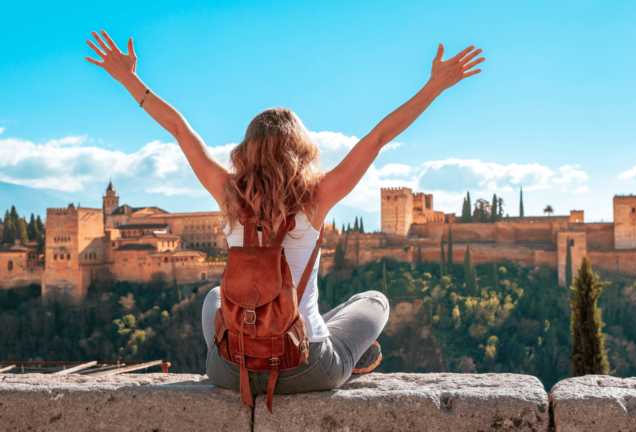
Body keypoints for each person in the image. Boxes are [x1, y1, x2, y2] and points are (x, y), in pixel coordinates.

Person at [86, 30, 484, 398]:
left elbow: (178, 128)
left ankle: (274, 334)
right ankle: (318, 336)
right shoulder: (317, 197)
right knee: (374, 299)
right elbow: (378, 137)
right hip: (307, 369)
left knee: (212, 298)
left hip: (228, 370)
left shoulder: (227, 193)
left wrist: (129, 80)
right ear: (302, 150)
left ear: (247, 149)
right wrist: (434, 87)